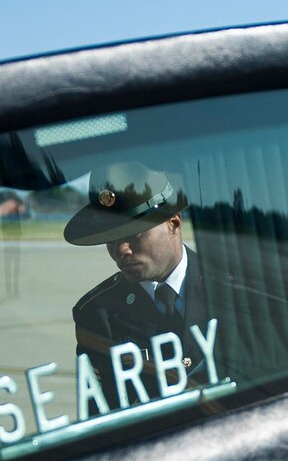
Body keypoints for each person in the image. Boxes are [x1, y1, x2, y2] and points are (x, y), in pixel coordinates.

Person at [64, 161, 219, 413]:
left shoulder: (231, 286)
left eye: (134, 234)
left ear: (173, 223)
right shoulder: (98, 313)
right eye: (111, 240)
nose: (120, 250)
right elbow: (103, 418)